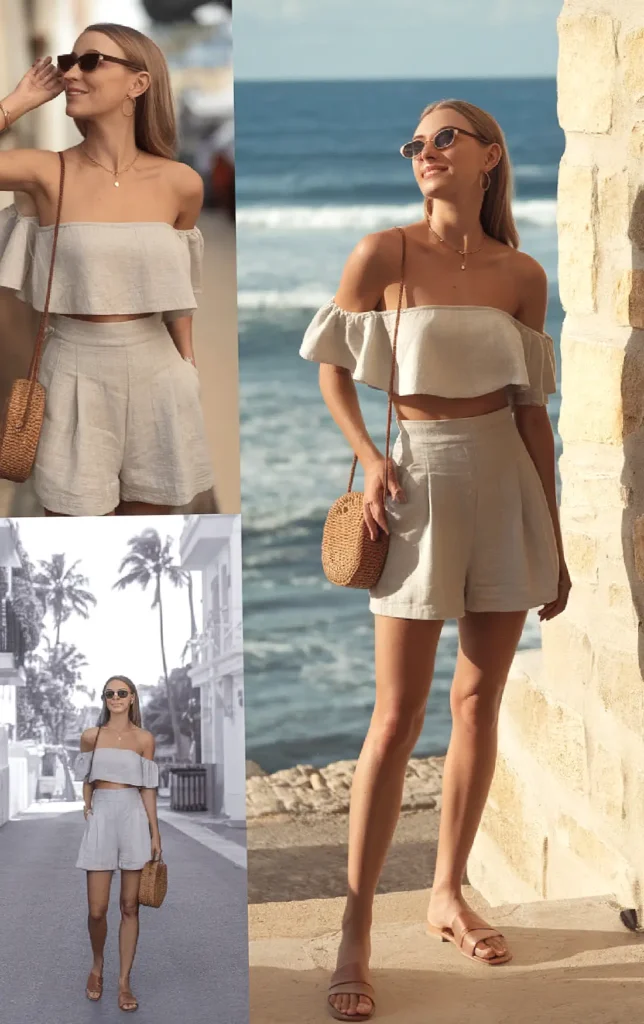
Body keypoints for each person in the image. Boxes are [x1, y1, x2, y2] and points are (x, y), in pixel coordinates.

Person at [299, 99, 571, 1021]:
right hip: (415, 483)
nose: (426, 152)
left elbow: (532, 409)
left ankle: (448, 892)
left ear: (491, 156)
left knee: (478, 701)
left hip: (506, 485)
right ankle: (355, 927)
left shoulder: (522, 275)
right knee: (395, 715)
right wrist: (372, 460)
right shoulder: (384, 254)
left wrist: (555, 538)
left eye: (445, 137)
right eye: (415, 143)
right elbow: (332, 366)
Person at [0, 22, 213, 516]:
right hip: (72, 370)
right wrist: (20, 101)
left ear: (138, 84)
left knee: (148, 545)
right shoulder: (45, 172)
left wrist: (188, 365)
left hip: (160, 375)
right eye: (67, 61)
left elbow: (179, 288)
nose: (72, 72)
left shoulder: (181, 183)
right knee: (76, 550)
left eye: (90, 61)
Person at [75, 675, 161, 1013]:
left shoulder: (144, 739)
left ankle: (124, 982)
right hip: (102, 816)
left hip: (134, 816)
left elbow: (148, 788)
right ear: (104, 698)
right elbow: (85, 777)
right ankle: (97, 965)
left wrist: (155, 831)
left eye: (121, 693)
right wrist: (87, 803)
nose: (115, 698)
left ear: (132, 698)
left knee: (129, 906)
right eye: (109, 693)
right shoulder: (91, 737)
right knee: (97, 910)